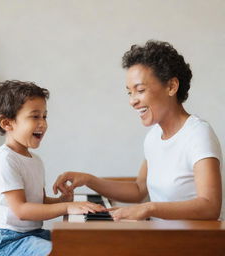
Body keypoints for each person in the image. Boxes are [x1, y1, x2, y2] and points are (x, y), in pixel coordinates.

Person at [54, 40, 223, 221]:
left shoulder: (198, 134)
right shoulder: (154, 137)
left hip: (195, 244)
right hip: (160, 239)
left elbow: (210, 206)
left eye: (140, 90)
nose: (132, 101)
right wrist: (89, 180)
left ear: (172, 86)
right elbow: (138, 190)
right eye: (129, 92)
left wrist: (149, 209)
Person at [0, 80, 105, 256]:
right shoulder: (5, 160)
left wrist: (62, 201)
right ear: (7, 123)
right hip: (8, 240)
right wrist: (67, 208)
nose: (43, 123)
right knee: (59, 251)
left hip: (32, 234)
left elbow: (38, 202)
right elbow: (22, 210)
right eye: (35, 116)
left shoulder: (35, 160)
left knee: (78, 244)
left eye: (44, 116)